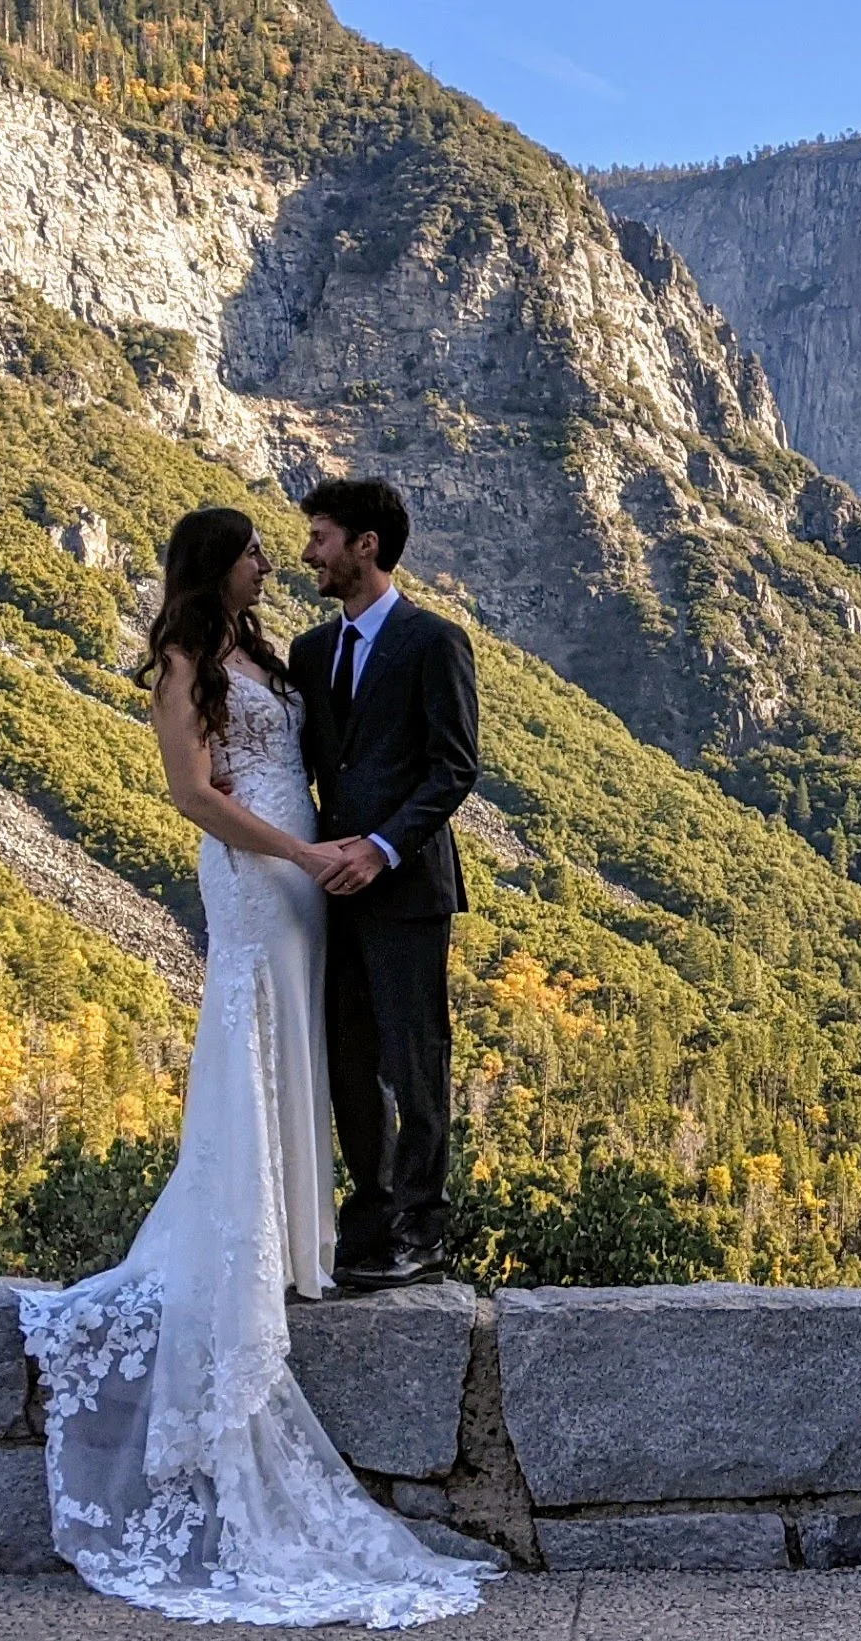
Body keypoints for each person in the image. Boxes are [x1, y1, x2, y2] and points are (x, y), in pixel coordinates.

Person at [15, 506, 495, 1627]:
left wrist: (344, 849)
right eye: (259, 552)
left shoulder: (281, 652)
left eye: (306, 542)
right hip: (265, 869)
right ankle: (258, 1247)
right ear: (215, 566)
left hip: (328, 877)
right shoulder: (192, 657)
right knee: (260, 1038)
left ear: (366, 545)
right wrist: (304, 848)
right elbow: (192, 793)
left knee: (328, 1052)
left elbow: (414, 761)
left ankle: (326, 1235)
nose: (282, 558)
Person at [287, 477, 480, 1290]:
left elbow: (454, 767)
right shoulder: (307, 651)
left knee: (414, 1061)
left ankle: (421, 1233)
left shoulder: (436, 641)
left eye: (322, 537)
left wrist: (382, 847)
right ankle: (366, 1228)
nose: (308, 554)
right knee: (348, 1064)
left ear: (366, 545)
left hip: (405, 892)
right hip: (329, 894)